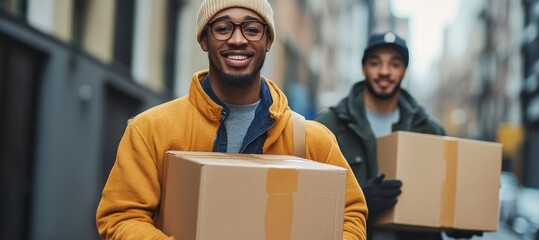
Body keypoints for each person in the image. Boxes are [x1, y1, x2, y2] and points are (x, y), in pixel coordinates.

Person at [95, 0, 367, 239]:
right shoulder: (152, 130)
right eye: (223, 28)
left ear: (268, 41)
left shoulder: (312, 139)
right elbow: (121, 218)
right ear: (204, 39)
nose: (238, 40)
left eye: (251, 29)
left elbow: (350, 216)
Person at [315, 32, 482, 240]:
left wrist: (460, 223)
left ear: (404, 70)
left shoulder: (431, 131)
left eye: (395, 64)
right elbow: (309, 204)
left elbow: (443, 207)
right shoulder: (327, 127)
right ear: (363, 68)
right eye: (375, 63)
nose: (385, 71)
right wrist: (359, 202)